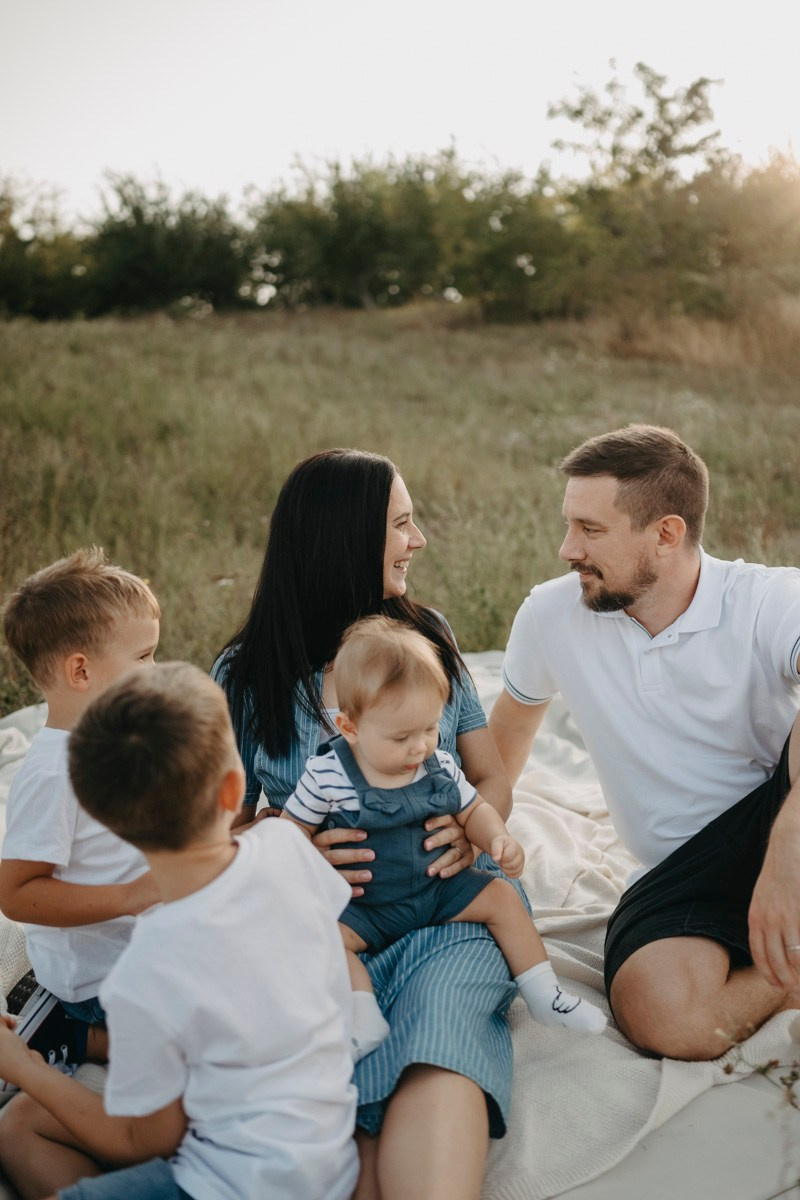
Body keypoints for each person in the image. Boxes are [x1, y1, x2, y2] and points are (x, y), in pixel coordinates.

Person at [213, 447, 529, 1200]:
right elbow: (218, 833)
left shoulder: (430, 637)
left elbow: (489, 776)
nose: (418, 540)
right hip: (328, 925)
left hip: (449, 908)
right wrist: (289, 844)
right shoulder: (248, 674)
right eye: (402, 523)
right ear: (345, 539)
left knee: (439, 1039)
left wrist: (474, 827)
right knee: (334, 1071)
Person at [488, 423, 800, 1063]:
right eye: (570, 524)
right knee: (664, 1016)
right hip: (683, 872)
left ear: (667, 533)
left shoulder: (770, 601)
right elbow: (503, 748)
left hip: (783, 819)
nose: (566, 548)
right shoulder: (552, 615)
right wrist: (473, 836)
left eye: (591, 530)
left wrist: (787, 851)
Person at [0, 662, 359, 1200]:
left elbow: (141, 1140)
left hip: (229, 1184)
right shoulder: (288, 848)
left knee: (23, 1126)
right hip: (329, 1158)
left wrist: (22, 1065)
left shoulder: (145, 969)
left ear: (110, 822)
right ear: (233, 787)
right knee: (21, 1123)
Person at [283, 614, 607, 1060]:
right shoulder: (327, 773)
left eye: (429, 728)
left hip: (438, 888)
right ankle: (363, 1018)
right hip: (366, 903)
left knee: (502, 899)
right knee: (325, 938)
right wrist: (305, 861)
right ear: (349, 727)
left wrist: (496, 840)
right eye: (401, 736)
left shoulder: (437, 762)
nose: (419, 746)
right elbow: (291, 832)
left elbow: (473, 808)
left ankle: (544, 993)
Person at [0, 548, 161, 1070]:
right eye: (143, 658)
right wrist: (131, 895)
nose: (155, 671)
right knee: (199, 1045)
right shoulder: (54, 774)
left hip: (148, 947)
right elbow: (17, 894)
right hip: (100, 980)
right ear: (81, 671)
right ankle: (66, 1034)